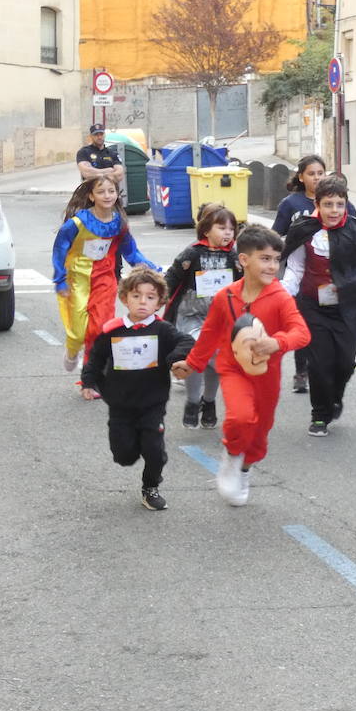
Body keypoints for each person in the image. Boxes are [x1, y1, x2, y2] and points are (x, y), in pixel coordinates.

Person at [172, 226, 310, 507]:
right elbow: (209, 335)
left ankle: (244, 469)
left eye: (276, 259)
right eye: (265, 258)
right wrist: (192, 364)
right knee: (240, 418)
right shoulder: (226, 297)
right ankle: (232, 456)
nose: (273, 266)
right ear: (244, 260)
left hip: (267, 375)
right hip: (233, 369)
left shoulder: (281, 297)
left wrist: (278, 342)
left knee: (260, 435)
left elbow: (301, 333)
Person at [80, 269, 194, 511]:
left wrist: (174, 358)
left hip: (153, 402)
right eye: (136, 296)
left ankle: (151, 487)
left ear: (159, 302)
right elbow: (95, 359)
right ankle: (132, 451)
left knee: (153, 448)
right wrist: (89, 381)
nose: (143, 302)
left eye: (151, 297)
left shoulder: (163, 330)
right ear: (124, 299)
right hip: (120, 403)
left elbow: (187, 341)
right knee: (124, 455)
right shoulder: (112, 330)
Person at [282, 174, 356, 436]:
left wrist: (348, 284)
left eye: (340, 204)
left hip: (347, 309)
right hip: (312, 306)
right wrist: (283, 297)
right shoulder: (303, 229)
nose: (334, 211)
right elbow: (295, 268)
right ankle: (319, 414)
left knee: (345, 363)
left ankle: (335, 396)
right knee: (319, 363)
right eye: (328, 204)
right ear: (317, 204)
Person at [52, 174, 159, 375]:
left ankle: (91, 374)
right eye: (101, 192)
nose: (107, 195)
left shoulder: (119, 223)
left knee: (99, 328)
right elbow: (59, 250)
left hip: (105, 279)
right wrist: (60, 279)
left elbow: (131, 252)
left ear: (117, 194)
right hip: (77, 278)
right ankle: (73, 350)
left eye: (111, 191)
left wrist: (149, 266)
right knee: (77, 333)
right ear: (91, 196)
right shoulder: (76, 224)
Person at [272, 154, 356, 394]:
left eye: (320, 173)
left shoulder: (346, 209)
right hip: (307, 282)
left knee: (344, 356)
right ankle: (303, 373)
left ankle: (334, 388)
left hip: (340, 293)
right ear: (301, 177)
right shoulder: (292, 204)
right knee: (304, 330)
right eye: (311, 173)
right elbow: (279, 236)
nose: (317, 177)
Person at [164, 204, 241, 430]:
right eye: (221, 227)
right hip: (191, 315)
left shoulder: (236, 257)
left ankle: (208, 402)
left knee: (216, 360)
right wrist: (157, 299)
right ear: (206, 230)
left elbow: (246, 284)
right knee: (197, 353)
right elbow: (171, 278)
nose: (227, 233)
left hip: (221, 317)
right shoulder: (192, 253)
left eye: (231, 228)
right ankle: (192, 400)